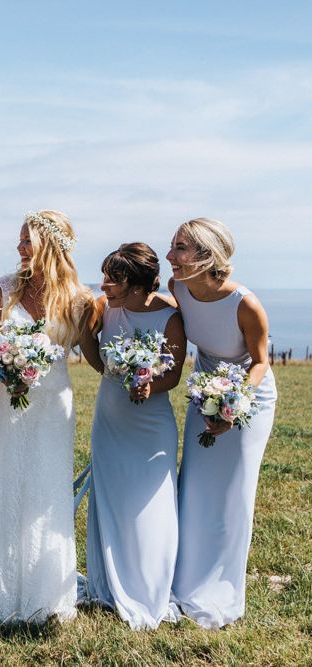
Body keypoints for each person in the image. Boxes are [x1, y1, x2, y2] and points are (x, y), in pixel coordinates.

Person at [0, 210, 94, 624]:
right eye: (20, 240)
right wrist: (6, 369)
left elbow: (96, 357)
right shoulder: (2, 288)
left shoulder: (81, 300)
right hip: (6, 402)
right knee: (7, 484)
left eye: (27, 241)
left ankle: (49, 591)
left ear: (49, 245)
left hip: (53, 406)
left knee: (47, 492)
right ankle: (4, 592)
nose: (19, 248)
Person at [167, 217, 277, 629]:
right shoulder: (178, 287)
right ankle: (186, 583)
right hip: (204, 390)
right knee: (194, 488)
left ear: (206, 255)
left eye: (179, 248)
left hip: (248, 396)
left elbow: (261, 362)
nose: (170, 256)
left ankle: (223, 592)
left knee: (233, 494)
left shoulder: (245, 304)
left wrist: (233, 406)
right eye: (173, 246)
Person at [82, 243, 186, 630]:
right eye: (105, 275)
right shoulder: (102, 307)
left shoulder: (170, 318)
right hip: (110, 417)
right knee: (111, 500)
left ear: (138, 283)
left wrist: (149, 387)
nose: (105, 283)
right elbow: (93, 356)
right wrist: (95, 352)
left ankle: (150, 586)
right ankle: (107, 583)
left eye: (115, 278)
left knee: (151, 504)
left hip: (150, 425)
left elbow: (173, 375)